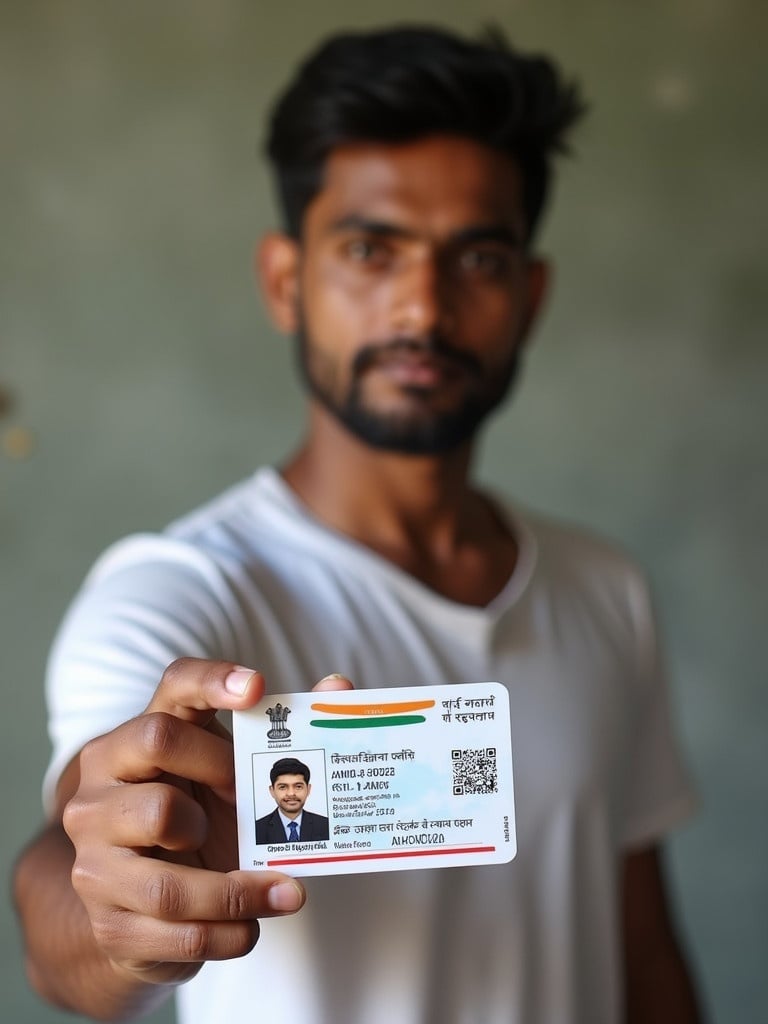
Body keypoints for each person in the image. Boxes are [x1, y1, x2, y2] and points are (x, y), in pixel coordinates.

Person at [12, 23, 704, 1024]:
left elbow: (641, 951)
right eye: (371, 249)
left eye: (476, 256)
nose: (422, 308)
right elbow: (63, 891)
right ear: (287, 281)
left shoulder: (607, 591)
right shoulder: (181, 591)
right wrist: (113, 909)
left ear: (530, 295)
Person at [255, 757, 329, 844]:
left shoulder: (326, 826)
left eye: (298, 786)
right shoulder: (257, 829)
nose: (291, 793)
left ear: (308, 789)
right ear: (272, 791)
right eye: (282, 787)